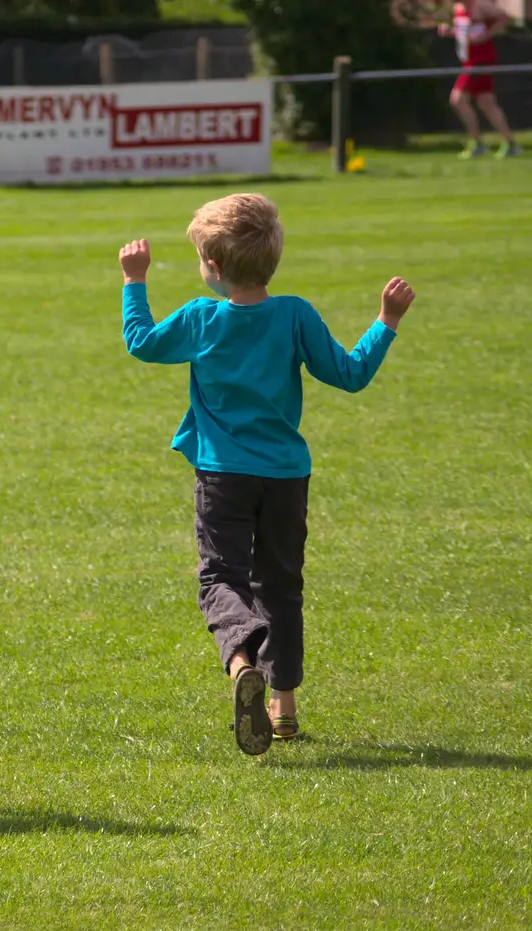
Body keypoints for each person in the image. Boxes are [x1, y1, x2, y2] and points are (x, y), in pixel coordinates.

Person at [116, 194, 416, 754]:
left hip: (223, 476)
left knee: (220, 579)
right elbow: (349, 374)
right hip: (285, 477)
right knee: (280, 585)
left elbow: (142, 344)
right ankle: (284, 710)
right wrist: (386, 322)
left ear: (214, 267)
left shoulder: (202, 318)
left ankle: (239, 667)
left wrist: (135, 282)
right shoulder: (295, 313)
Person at [440, 0, 522, 159]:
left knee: (458, 100)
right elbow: (466, 32)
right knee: (487, 103)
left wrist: (487, 34)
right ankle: (510, 143)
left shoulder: (480, 5)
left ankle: (476, 143)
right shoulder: (458, 8)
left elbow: (505, 18)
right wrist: (450, 32)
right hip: (469, 60)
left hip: (481, 61)